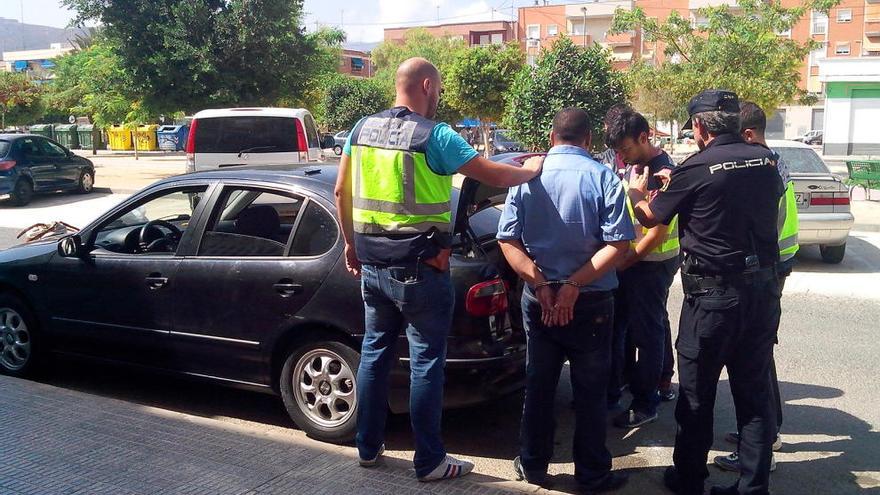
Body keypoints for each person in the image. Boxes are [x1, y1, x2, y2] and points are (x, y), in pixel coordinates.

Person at [334, 57, 542, 482]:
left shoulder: (361, 129)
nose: (440, 97)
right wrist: (530, 170)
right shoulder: (436, 135)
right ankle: (429, 461)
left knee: (375, 352)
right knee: (426, 361)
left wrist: (352, 246)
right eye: (440, 89)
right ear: (427, 85)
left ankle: (368, 448)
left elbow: (341, 190)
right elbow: (490, 173)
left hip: (373, 265)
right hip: (419, 268)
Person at [626, 89, 784, 495]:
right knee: (754, 395)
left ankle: (689, 479)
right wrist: (677, 183)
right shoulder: (767, 160)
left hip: (713, 299)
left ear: (699, 126)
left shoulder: (695, 168)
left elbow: (651, 217)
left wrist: (638, 194)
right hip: (762, 294)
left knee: (697, 395)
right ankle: (753, 487)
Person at [497, 107, 633, 493]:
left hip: (539, 301)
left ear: (552, 137)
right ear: (588, 140)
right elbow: (619, 244)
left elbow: (507, 239)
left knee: (539, 383)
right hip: (591, 304)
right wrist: (573, 285)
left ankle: (534, 465)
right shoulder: (603, 176)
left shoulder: (527, 176)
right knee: (591, 391)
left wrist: (543, 286)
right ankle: (591, 475)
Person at [713, 101, 799, 473]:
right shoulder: (772, 162)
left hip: (767, 268)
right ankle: (763, 435)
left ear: (747, 135)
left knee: (755, 358)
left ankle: (762, 445)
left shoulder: (761, 166)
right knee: (759, 356)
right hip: (776, 263)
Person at [604, 108, 680, 428]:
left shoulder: (663, 172)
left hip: (651, 262)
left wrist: (626, 261)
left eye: (626, 148)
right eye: (618, 151)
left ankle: (646, 401)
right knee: (625, 325)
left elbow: (656, 231)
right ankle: (627, 383)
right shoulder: (635, 166)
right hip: (632, 261)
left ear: (644, 137)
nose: (622, 156)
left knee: (646, 333)